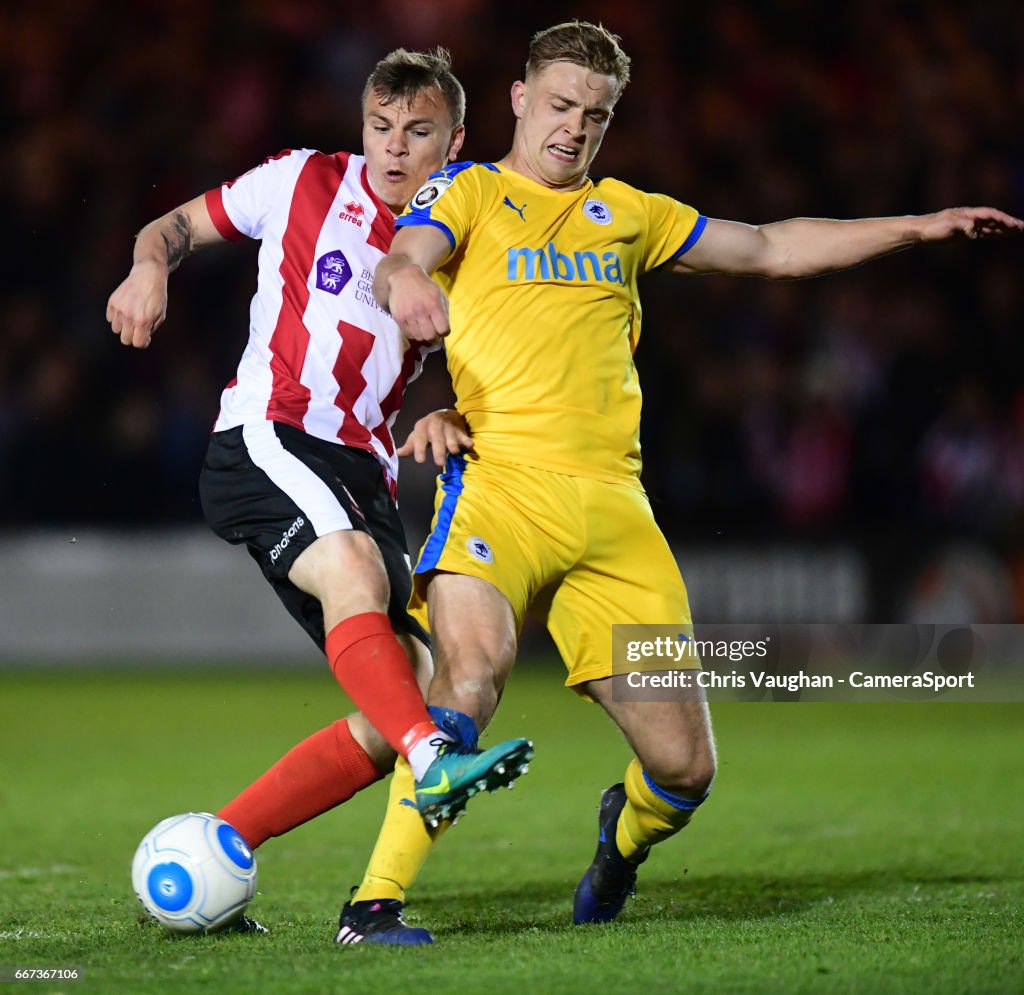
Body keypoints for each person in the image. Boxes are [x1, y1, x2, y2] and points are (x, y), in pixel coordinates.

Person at [357, 20, 1024, 938]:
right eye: (557, 106)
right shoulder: (468, 192)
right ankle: (376, 900)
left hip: (613, 515)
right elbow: (405, 255)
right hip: (500, 487)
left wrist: (917, 226)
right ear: (517, 99)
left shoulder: (629, 213)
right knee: (469, 676)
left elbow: (769, 248)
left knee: (684, 771)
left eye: (594, 115)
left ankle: (619, 841)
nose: (572, 129)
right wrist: (406, 286)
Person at [105, 48, 532, 940]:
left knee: (407, 689)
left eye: (418, 133)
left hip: (365, 471)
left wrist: (450, 408)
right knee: (351, 579)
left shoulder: (464, 234)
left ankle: (220, 845)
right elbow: (169, 228)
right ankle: (435, 759)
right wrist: (149, 269)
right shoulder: (299, 181)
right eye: (380, 127)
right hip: (271, 434)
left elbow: (496, 362)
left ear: (457, 140)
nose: (394, 149)